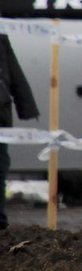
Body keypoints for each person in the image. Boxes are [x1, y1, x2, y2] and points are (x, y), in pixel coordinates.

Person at [0, 34, 39, 230]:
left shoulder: (2, 38)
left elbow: (15, 76)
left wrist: (28, 108)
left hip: (2, 119)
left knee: (0, 167)